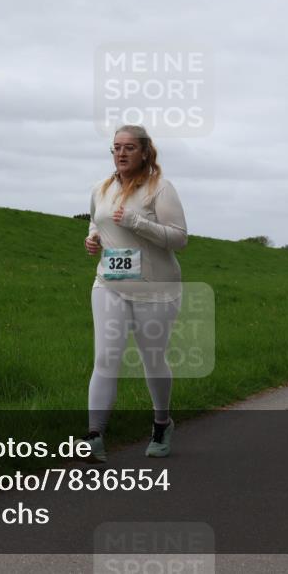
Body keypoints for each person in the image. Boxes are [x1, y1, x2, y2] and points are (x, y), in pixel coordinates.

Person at [83, 125, 187, 463]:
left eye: (129, 147)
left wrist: (136, 222)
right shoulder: (101, 188)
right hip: (110, 284)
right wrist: (93, 238)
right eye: (116, 147)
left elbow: (179, 239)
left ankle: (161, 423)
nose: (121, 153)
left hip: (156, 289)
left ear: (144, 152)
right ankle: (95, 436)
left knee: (152, 360)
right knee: (105, 358)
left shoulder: (160, 189)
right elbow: (97, 222)